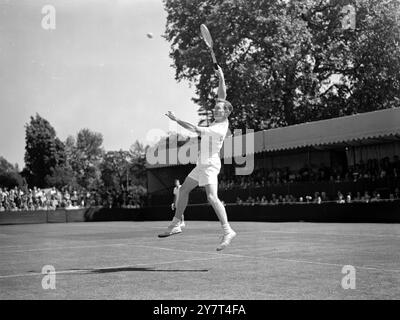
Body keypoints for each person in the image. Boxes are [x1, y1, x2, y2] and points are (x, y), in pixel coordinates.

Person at [158, 65, 237, 251]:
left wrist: (177, 120)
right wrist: (222, 77)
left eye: (219, 109)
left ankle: (228, 230)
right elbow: (222, 95)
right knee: (183, 190)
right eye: (215, 108)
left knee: (212, 197)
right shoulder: (220, 116)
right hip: (201, 163)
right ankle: (177, 223)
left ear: (226, 113)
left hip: (210, 164)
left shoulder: (218, 128)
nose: (216, 110)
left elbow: (193, 129)